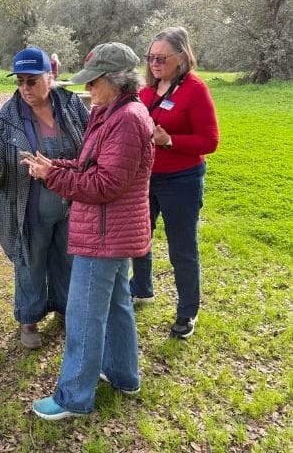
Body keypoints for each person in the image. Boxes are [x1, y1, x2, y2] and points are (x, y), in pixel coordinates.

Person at [25, 42, 155, 420]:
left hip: (104, 235)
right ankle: (123, 375)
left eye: (94, 82)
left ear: (115, 81)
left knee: (83, 317)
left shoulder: (127, 119)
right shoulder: (112, 112)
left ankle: (73, 397)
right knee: (116, 307)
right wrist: (56, 166)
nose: (88, 90)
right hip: (110, 233)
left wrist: (54, 177)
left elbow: (104, 185)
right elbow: (90, 164)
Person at [0, 47, 88, 349]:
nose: (25, 88)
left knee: (67, 259)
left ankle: (65, 308)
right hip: (30, 209)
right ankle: (29, 318)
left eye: (32, 81)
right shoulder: (7, 119)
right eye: (20, 81)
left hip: (70, 205)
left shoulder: (72, 105)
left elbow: (90, 144)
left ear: (49, 77)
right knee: (31, 261)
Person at [129, 26, 219, 339]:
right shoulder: (146, 90)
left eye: (161, 58)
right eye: (151, 57)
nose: (154, 63)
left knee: (182, 248)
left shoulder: (195, 89)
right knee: (139, 237)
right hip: (147, 177)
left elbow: (210, 141)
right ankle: (141, 288)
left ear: (181, 58)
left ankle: (187, 311)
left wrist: (170, 141)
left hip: (182, 179)